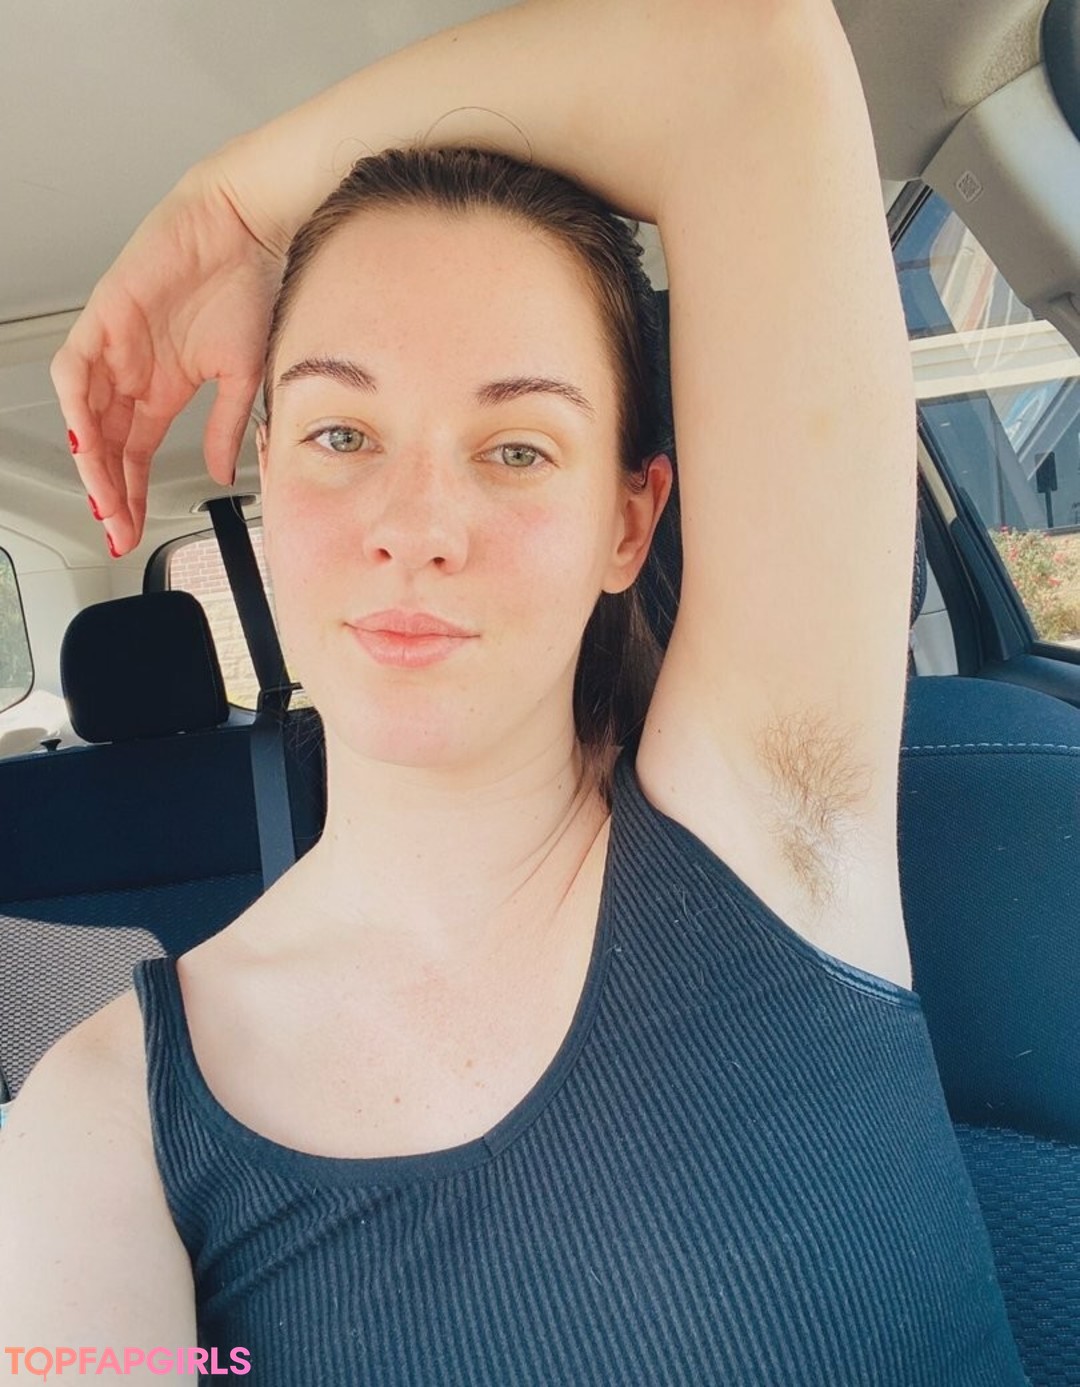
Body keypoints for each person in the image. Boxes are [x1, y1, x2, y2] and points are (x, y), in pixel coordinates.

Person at [0, 0, 1028, 1381]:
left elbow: (752, 63)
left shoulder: (770, 821)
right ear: (269, 485)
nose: (416, 526)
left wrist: (231, 206)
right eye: (342, 432)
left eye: (517, 448)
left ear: (629, 524)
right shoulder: (103, 1120)